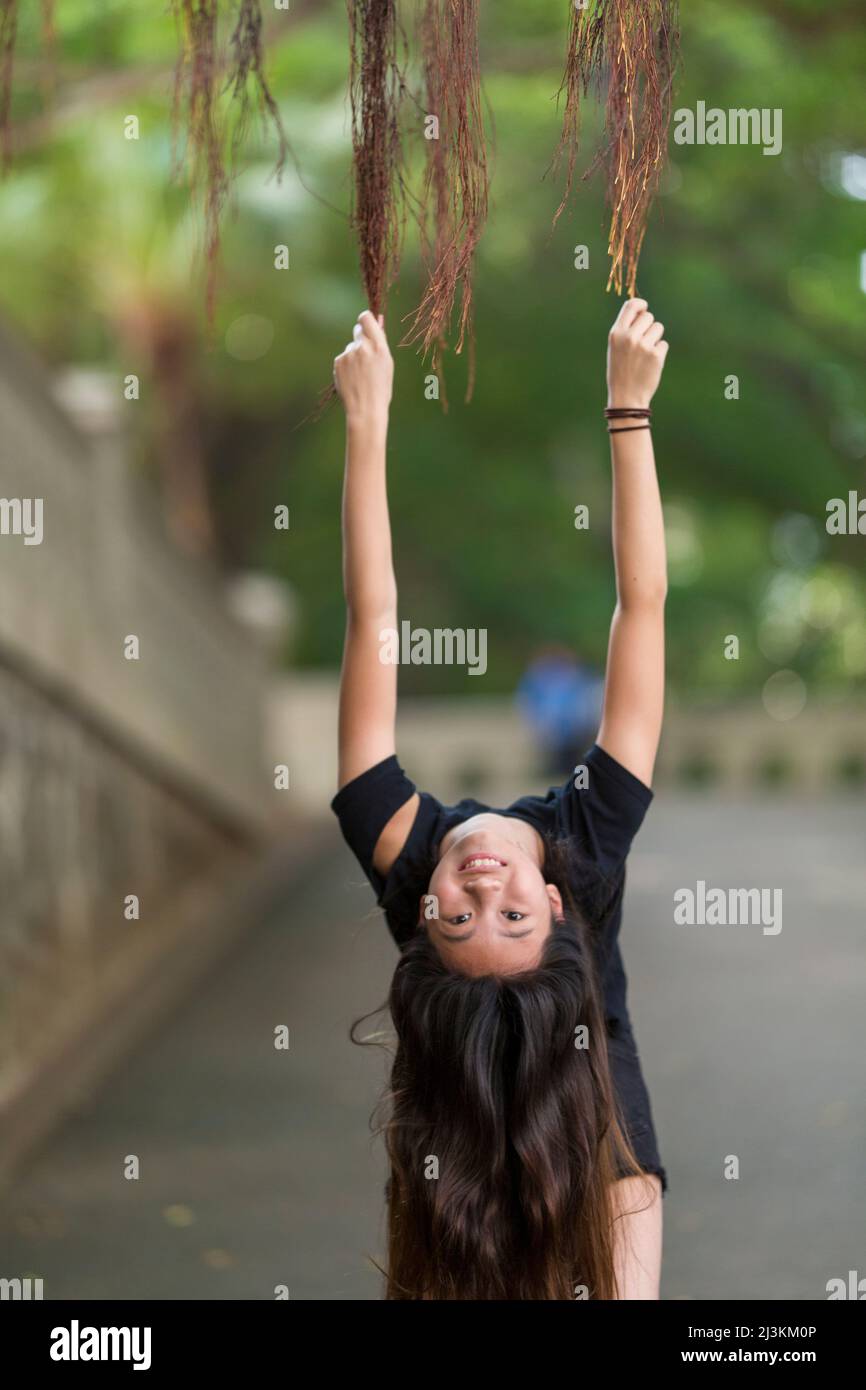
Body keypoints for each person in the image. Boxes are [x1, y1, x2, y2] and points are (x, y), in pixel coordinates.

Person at [331, 300, 669, 1300]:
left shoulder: (394, 840)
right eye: (511, 914)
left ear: (419, 913)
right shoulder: (589, 841)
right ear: (557, 905)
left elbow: (372, 614)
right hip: (595, 1114)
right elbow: (641, 606)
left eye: (458, 915)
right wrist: (626, 411)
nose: (482, 884)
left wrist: (366, 424)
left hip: (455, 1106)